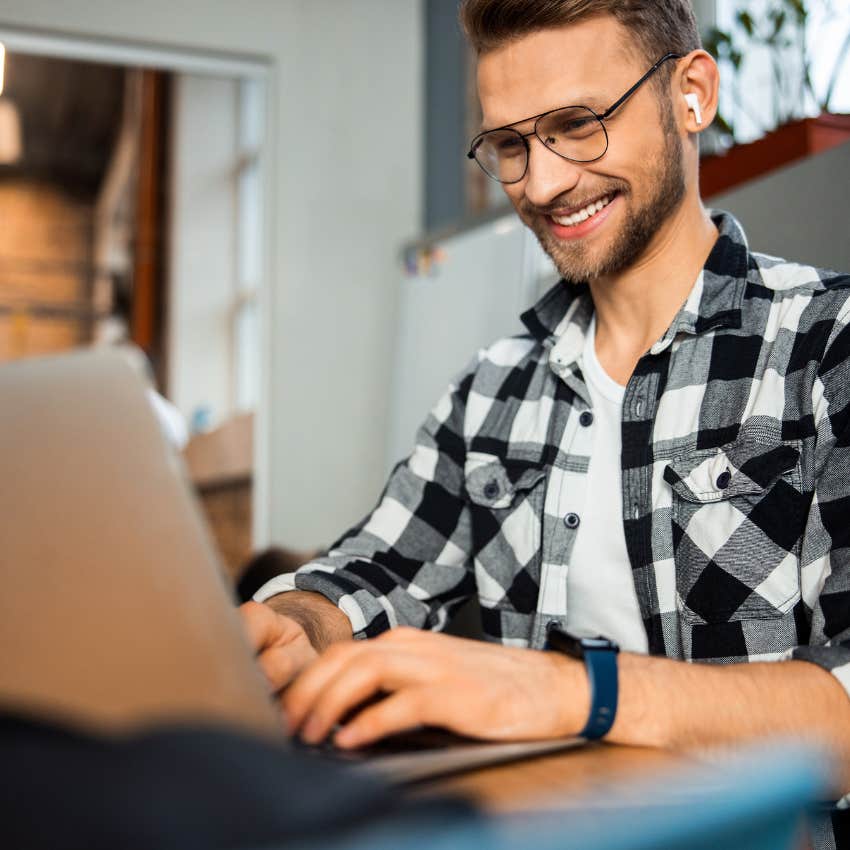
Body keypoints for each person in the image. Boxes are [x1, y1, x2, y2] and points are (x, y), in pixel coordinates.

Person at [242, 1, 850, 842]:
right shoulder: (493, 388)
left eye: (577, 124)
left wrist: (573, 693)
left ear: (692, 94)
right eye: (512, 145)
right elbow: (376, 568)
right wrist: (299, 622)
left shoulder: (827, 345)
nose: (543, 183)